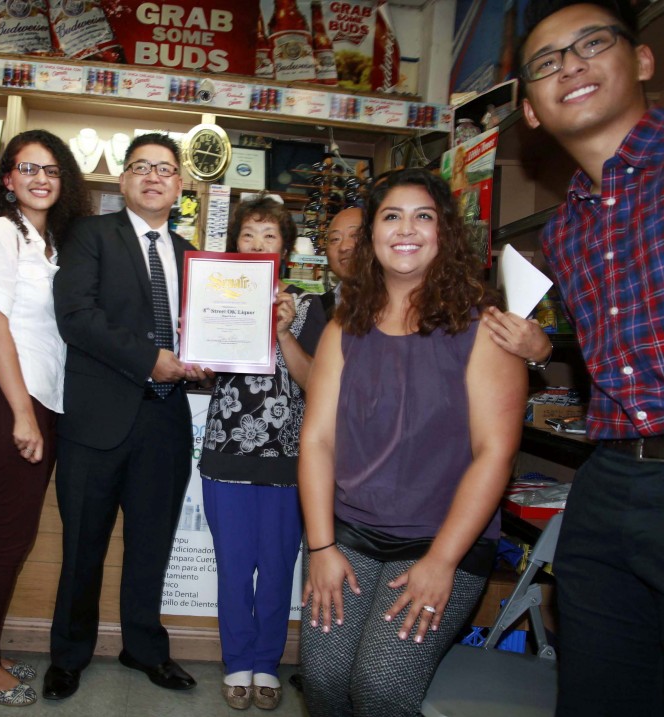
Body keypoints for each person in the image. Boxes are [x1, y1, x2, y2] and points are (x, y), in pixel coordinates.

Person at [516, 1, 664, 714]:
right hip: (607, 480)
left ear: (643, 60)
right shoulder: (567, 228)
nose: (569, 65)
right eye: (546, 62)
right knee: (597, 691)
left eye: (591, 44)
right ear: (531, 111)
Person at [298, 168, 526, 717]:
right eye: (392, 216)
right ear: (371, 236)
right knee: (323, 678)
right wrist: (322, 548)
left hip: (443, 540)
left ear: (444, 233)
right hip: (351, 533)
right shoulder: (343, 327)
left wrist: (443, 560)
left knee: (380, 688)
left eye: (424, 216)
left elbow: (495, 452)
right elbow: (318, 439)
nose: (407, 228)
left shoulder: (484, 327)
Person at [45, 133, 206, 700]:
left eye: (166, 169)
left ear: (181, 186)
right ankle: (68, 654)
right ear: (123, 180)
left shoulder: (194, 257)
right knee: (82, 546)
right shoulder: (90, 235)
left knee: (151, 545)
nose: (154, 177)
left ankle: (145, 649)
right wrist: (151, 360)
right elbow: (75, 317)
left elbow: (205, 337)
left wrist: (209, 361)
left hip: (164, 423)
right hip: (97, 421)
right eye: (141, 167)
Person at [0, 129, 90, 705]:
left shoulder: (49, 241)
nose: (40, 178)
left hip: (42, 400)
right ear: (7, 178)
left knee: (15, 535)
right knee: (7, 538)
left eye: (52, 170)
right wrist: (21, 414)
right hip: (9, 401)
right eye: (28, 168)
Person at [198, 196, 326, 710]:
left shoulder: (310, 307)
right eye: (248, 235)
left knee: (277, 567)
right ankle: (237, 662)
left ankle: (268, 663)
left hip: (288, 459)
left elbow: (315, 381)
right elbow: (204, 367)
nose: (257, 244)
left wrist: (281, 330)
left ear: (285, 249)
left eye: (269, 236)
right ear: (235, 244)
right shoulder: (215, 293)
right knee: (232, 567)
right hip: (225, 453)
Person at [322, 206, 362, 319]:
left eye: (355, 236)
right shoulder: (319, 307)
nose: (344, 247)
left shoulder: (400, 302)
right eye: (335, 239)